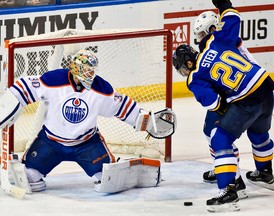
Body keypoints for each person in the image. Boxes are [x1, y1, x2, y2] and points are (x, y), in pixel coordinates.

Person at [0, 49, 175, 193]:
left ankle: (131, 173)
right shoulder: (53, 80)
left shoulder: (101, 89)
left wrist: (146, 121)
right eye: (87, 69)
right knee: (30, 178)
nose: (91, 73)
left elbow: (123, 106)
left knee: (106, 181)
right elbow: (26, 86)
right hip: (50, 142)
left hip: (87, 144)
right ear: (76, 69)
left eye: (93, 70)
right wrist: (8, 102)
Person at [173, 0, 274, 212]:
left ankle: (230, 187)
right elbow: (233, 16)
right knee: (259, 134)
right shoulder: (218, 39)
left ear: (189, 63)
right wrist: (224, 2)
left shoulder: (195, 76)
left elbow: (213, 102)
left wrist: (226, 110)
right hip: (266, 88)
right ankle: (265, 173)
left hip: (246, 99)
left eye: (183, 68)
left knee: (219, 137)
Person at [192, 10, 259, 199]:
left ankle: (233, 178)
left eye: (203, 34)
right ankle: (225, 169)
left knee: (218, 136)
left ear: (213, 29)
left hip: (238, 96)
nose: (199, 39)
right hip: (241, 93)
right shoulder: (222, 39)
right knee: (211, 133)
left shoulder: (224, 41)